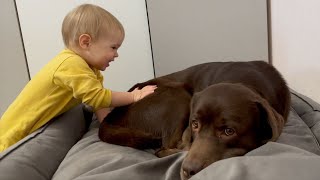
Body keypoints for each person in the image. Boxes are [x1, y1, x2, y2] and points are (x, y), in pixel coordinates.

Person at [0, 4, 157, 152]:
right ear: (86, 42)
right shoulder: (70, 64)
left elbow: (99, 104)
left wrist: (111, 125)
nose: (116, 54)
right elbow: (98, 97)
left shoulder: (91, 70)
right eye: (113, 47)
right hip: (11, 137)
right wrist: (134, 96)